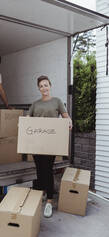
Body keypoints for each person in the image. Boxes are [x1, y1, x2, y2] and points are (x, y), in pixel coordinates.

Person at [29, 75, 72, 218]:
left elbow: (66, 117)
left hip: (51, 143)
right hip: (37, 143)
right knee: (40, 170)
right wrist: (22, 125)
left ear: (50, 86)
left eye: (46, 85)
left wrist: (69, 122)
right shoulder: (35, 104)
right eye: (41, 86)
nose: (44, 88)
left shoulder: (57, 101)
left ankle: (49, 201)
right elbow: (28, 120)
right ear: (38, 88)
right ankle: (42, 194)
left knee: (47, 170)